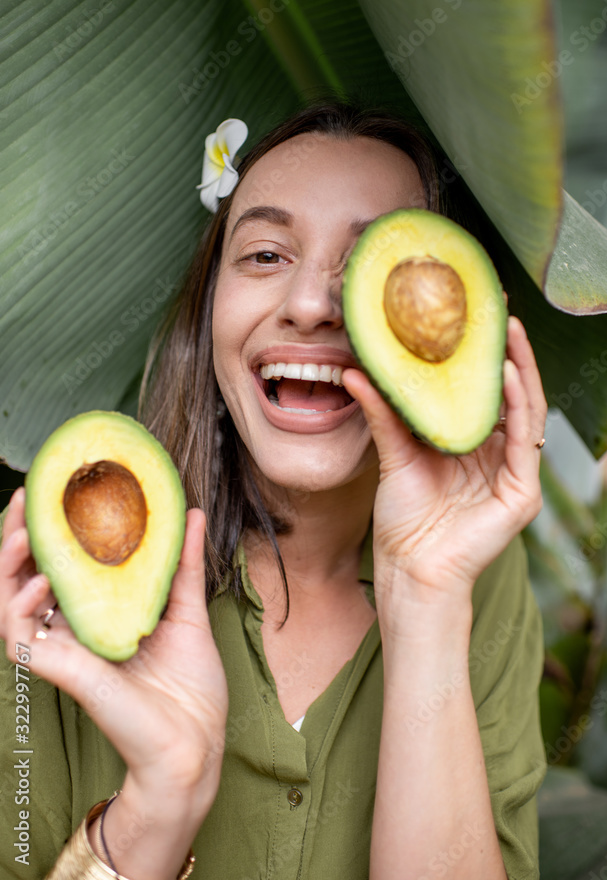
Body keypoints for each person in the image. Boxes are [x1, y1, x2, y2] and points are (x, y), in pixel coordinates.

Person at [0, 102, 547, 880]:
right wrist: (158, 801)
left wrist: (426, 598)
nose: (311, 304)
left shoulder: (478, 580)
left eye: (370, 268)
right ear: (207, 311)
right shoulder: (49, 562)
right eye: (264, 255)